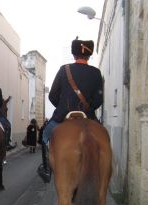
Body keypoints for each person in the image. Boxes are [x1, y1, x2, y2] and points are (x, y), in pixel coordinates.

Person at [38, 39, 104, 183]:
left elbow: (52, 95)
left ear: (74, 55)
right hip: (89, 117)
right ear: (89, 55)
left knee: (44, 135)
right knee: (104, 138)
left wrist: (63, 108)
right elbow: (99, 100)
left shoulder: (64, 69)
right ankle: (102, 168)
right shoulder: (96, 72)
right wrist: (89, 110)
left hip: (63, 115)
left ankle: (46, 169)